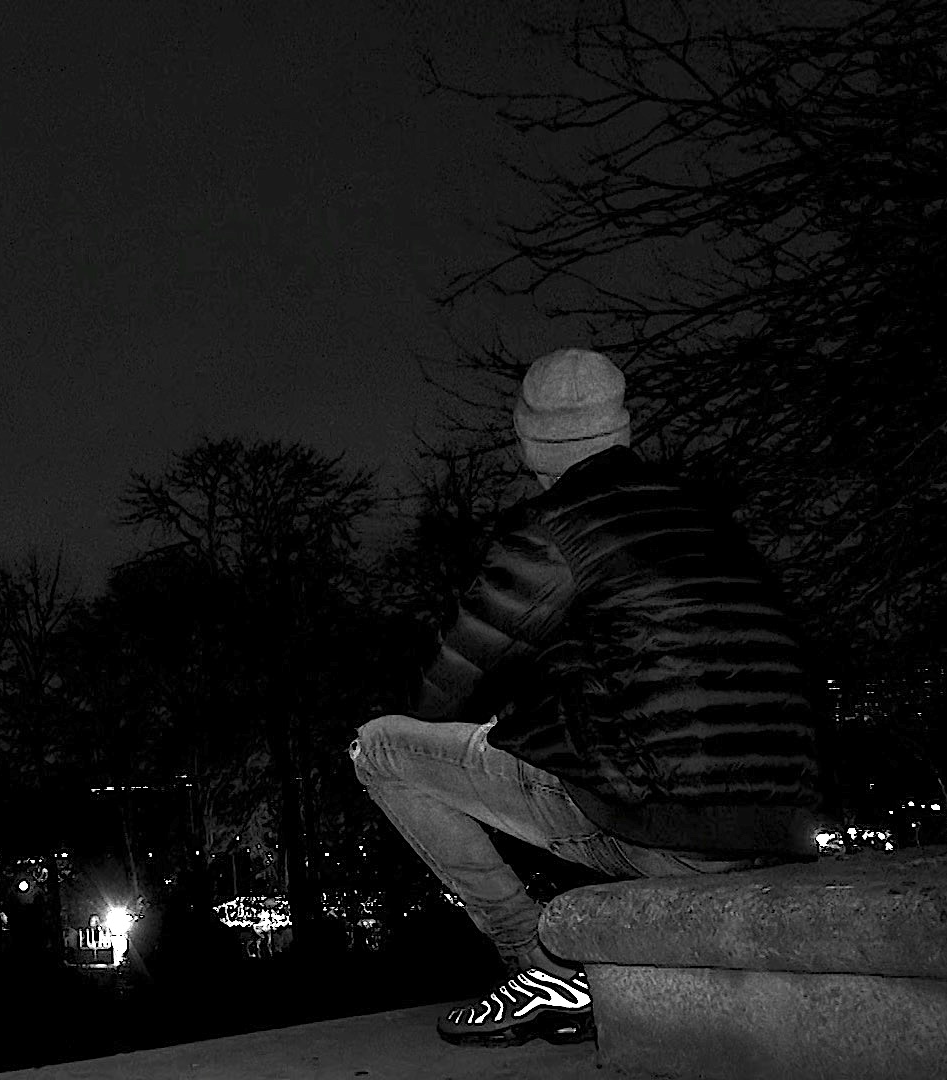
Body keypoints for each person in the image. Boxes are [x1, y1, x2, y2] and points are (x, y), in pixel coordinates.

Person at [349, 347, 822, 1047]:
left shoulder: (555, 530)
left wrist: (490, 734)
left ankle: (535, 962)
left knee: (381, 749)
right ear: (621, 429)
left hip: (665, 830)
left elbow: (445, 685)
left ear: (527, 438)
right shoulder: (703, 518)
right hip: (781, 826)